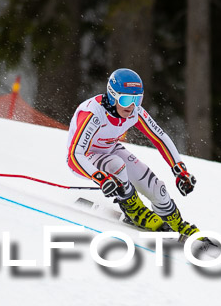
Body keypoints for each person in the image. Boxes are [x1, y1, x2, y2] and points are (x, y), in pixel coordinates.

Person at [66, 68, 200, 238]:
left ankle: (177, 223)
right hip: (84, 158)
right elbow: (74, 156)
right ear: (113, 96)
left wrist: (180, 170)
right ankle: (133, 209)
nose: (131, 106)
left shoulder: (134, 112)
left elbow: (160, 138)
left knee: (157, 188)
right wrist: (100, 177)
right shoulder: (94, 114)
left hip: (110, 150)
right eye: (126, 99)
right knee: (116, 165)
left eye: (137, 99)